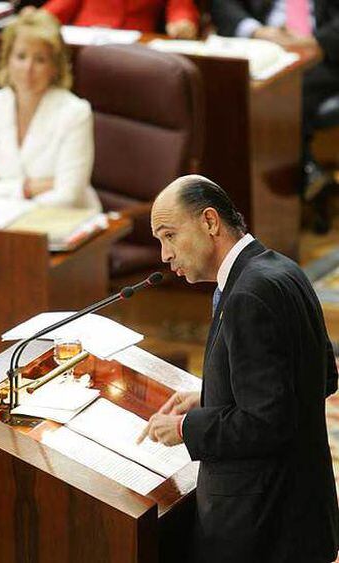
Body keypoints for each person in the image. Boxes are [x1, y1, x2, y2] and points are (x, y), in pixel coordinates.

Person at [138, 174, 339, 562]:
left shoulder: (249, 294)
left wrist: (184, 427)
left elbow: (267, 423)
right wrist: (212, 395)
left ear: (209, 222)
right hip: (300, 515)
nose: (164, 254)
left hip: (263, 529)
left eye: (169, 236)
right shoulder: (283, 269)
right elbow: (320, 377)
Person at [0, 9, 101, 210]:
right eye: (21, 56)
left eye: (40, 59)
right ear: (7, 59)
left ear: (55, 67)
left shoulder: (75, 112)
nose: (28, 68)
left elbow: (67, 194)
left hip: (64, 224)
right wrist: (27, 189)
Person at [210, 0, 339, 206]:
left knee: (287, 92)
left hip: (326, 56)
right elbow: (223, 4)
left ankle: (293, 181)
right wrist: (258, 31)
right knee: (231, 91)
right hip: (266, 49)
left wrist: (317, 42)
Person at [40, 0, 199, 39]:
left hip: (135, 48)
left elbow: (181, 7)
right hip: (85, 39)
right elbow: (62, 5)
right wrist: (39, 18)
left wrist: (182, 22)